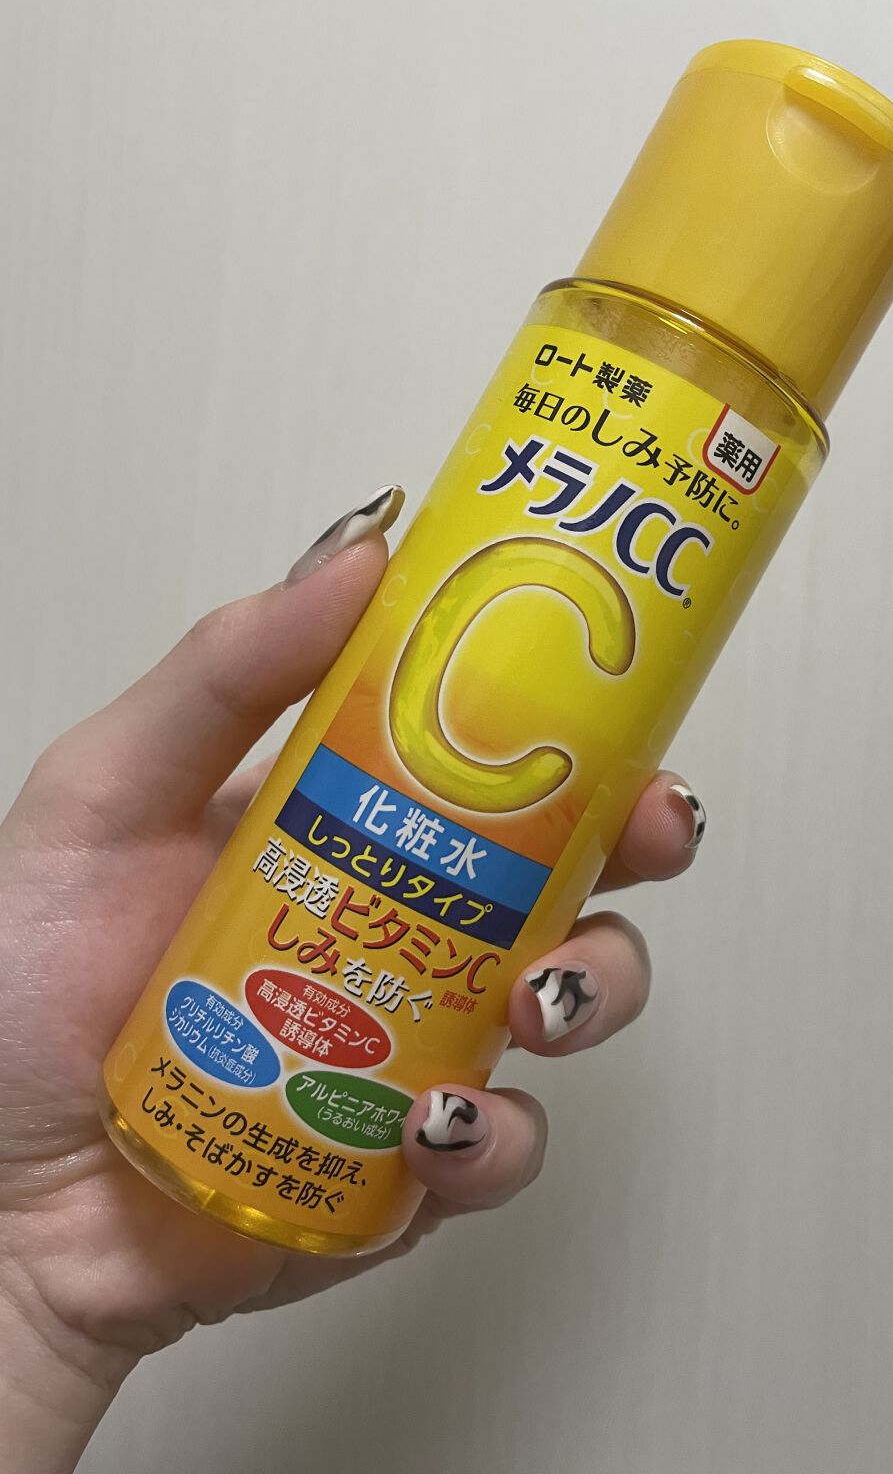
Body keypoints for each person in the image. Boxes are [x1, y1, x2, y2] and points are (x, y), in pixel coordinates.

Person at [0, 497, 703, 1473]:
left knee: (567, 874)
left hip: (313, 1122)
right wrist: (22, 1260)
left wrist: (39, 1305)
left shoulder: (771, 454)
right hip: (154, 1087)